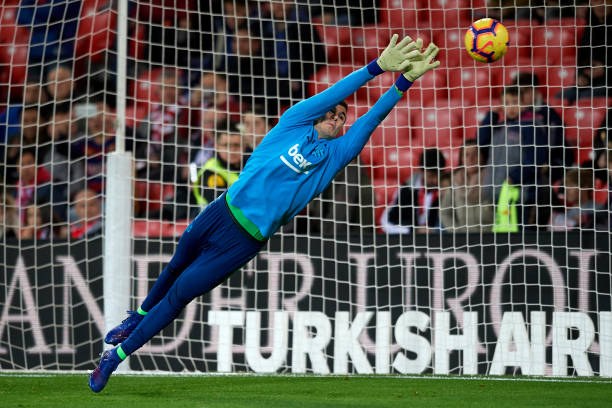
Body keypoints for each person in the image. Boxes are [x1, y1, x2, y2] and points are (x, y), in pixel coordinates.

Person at [89, 34, 440, 392]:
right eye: (333, 113)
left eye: (342, 117)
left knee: (181, 293)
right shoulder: (292, 122)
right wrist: (376, 67)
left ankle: (115, 357)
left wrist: (403, 81)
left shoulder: (336, 155)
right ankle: (139, 316)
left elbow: (371, 119)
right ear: (319, 115)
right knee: (176, 262)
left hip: (245, 240)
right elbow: (331, 94)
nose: (337, 118)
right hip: (222, 210)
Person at [478, 85, 549, 231]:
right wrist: (491, 115)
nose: (510, 107)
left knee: (522, 235)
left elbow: (536, 158)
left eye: (515, 102)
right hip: (496, 192)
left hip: (521, 195)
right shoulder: (498, 127)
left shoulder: (531, 126)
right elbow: (480, 141)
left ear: (523, 104)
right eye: (506, 103)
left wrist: (514, 176)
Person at [381, 148, 447, 234]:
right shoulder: (406, 190)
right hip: (409, 242)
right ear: (421, 171)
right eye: (431, 176)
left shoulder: (448, 190)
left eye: (439, 175)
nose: (436, 180)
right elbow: (386, 223)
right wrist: (413, 231)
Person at [439, 140, 495, 232]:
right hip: (464, 241)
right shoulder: (455, 182)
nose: (471, 159)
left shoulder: (493, 179)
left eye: (475, 154)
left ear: (483, 157)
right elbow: (444, 213)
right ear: (461, 159)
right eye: (466, 155)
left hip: (490, 239)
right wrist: (458, 232)